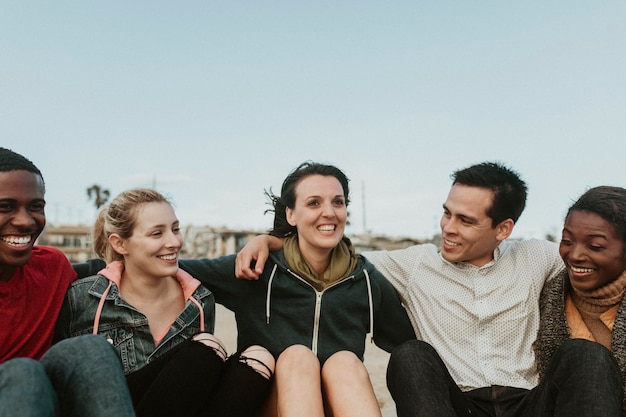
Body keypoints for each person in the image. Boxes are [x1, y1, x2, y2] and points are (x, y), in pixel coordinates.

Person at [236, 161, 623, 416]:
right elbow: (325, 251)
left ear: (503, 228)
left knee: (584, 356)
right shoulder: (412, 264)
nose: (448, 228)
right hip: (456, 404)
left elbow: (598, 265)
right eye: (446, 212)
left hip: (528, 403)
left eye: (465, 221)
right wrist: (269, 240)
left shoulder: (538, 257)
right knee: (411, 356)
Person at [177, 162, 415, 417]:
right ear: (291, 214)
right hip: (272, 406)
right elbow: (172, 268)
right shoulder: (257, 267)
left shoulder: (366, 279)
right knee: (297, 358)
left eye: (338, 202)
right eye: (314, 203)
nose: (329, 212)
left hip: (339, 405)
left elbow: (409, 342)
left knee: (344, 362)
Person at [54, 188, 275, 417]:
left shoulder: (199, 302)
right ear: (120, 244)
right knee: (204, 349)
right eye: (157, 233)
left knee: (257, 360)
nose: (174, 242)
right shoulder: (83, 297)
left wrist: (266, 240)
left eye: (175, 229)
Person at [0, 147, 135, 417]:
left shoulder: (52, 268)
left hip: (45, 400)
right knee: (22, 371)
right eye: (5, 206)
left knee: (90, 348)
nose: (26, 221)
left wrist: (243, 253)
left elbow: (138, 267)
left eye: (35, 206)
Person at [535, 186, 626, 414]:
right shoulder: (543, 294)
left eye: (594, 246)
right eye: (567, 241)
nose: (574, 255)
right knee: (586, 355)